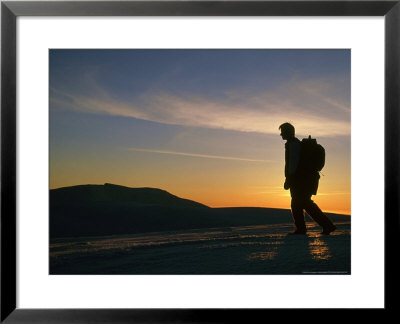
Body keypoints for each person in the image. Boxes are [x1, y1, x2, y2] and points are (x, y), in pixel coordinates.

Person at [279, 122, 336, 235]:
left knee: (300, 203)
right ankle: (321, 226)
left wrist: (289, 179)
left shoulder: (293, 144)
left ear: (288, 132)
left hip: (301, 179)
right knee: (302, 203)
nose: (281, 135)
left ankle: (308, 228)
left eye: (282, 132)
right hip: (306, 179)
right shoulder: (295, 143)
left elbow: (293, 164)